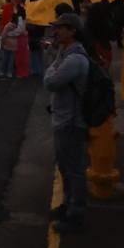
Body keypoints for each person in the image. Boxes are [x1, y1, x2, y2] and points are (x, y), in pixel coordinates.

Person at [42, 13, 92, 233]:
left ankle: (76, 214)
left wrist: (51, 68)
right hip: (63, 118)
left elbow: (51, 82)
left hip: (71, 121)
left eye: (60, 28)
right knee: (64, 166)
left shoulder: (74, 59)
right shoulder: (65, 52)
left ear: (72, 30)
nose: (56, 32)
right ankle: (67, 203)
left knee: (74, 169)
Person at [0, 5, 25, 79]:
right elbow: (21, 32)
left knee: (5, 58)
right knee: (12, 59)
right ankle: (9, 72)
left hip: (7, 42)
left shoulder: (8, 26)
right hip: (15, 43)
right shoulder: (18, 27)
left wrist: (2, 44)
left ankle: (2, 71)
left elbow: (3, 35)